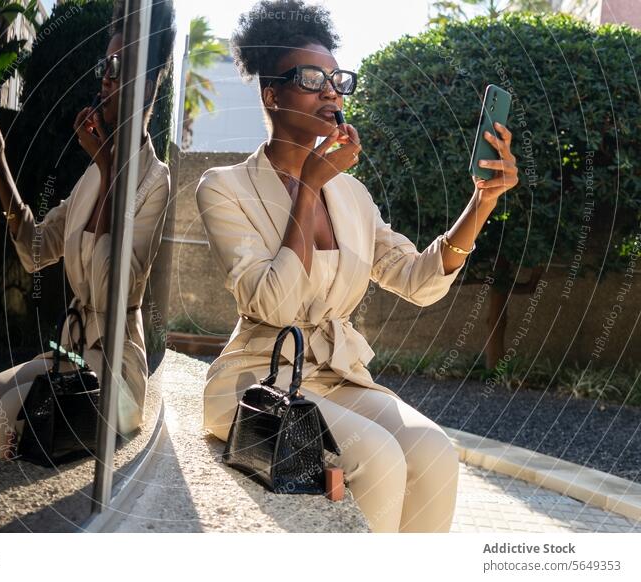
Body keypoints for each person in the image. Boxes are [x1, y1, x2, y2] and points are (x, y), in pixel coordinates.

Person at [195, 0, 518, 532]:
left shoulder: (354, 196)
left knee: (435, 452)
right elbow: (272, 302)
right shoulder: (225, 188)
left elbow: (418, 281)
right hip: (257, 375)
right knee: (379, 457)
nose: (330, 91)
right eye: (310, 78)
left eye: (336, 79)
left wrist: (481, 201)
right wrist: (309, 187)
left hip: (339, 377)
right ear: (271, 94)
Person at [0, 0, 176, 471]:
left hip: (116, 368)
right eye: (106, 63)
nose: (106, 75)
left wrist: (107, 168)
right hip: (72, 352)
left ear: (146, 88)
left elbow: (108, 290)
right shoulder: (90, 176)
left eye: (119, 67)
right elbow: (35, 250)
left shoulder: (154, 180)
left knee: (8, 421)